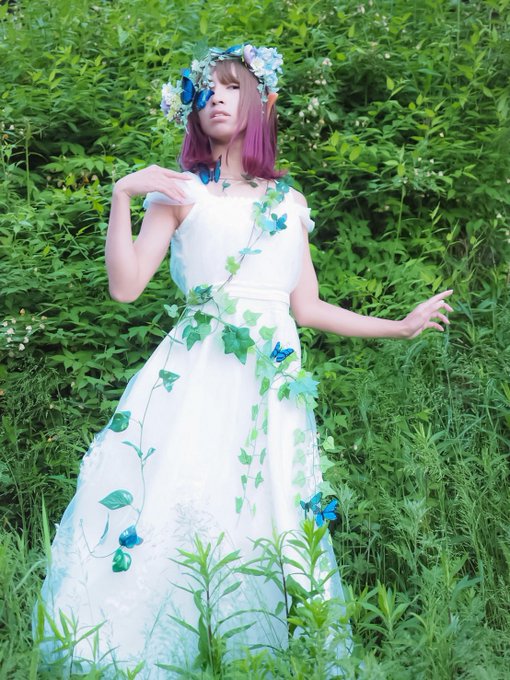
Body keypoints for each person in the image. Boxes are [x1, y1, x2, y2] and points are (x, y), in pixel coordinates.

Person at [34, 44, 453, 677]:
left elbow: (306, 306)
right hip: (195, 376)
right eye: (206, 90)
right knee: (180, 497)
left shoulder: (288, 201)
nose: (218, 98)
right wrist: (122, 194)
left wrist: (399, 326)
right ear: (193, 109)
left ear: (260, 102)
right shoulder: (180, 192)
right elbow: (125, 286)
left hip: (273, 384)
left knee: (270, 507)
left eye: (232, 86)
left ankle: (264, 653)